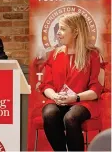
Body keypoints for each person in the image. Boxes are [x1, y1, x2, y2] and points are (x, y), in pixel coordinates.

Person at [39, 13, 103, 151]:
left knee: (71, 117)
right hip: (58, 100)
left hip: (83, 102)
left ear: (75, 32)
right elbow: (46, 85)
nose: (58, 34)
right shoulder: (54, 54)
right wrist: (54, 96)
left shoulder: (92, 55)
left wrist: (75, 97)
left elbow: (95, 89)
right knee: (49, 113)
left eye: (62, 29)